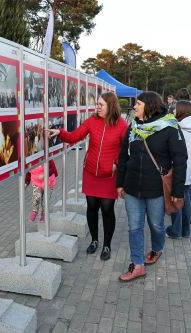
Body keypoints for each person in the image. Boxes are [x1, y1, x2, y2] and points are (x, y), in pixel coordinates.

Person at [46, 92, 128, 261]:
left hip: (109, 175)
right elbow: (75, 136)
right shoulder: (91, 121)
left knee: (107, 209)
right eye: (97, 104)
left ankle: (107, 244)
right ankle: (94, 241)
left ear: (111, 106)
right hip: (91, 172)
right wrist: (59, 132)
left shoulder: (121, 125)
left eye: (101, 105)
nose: (97, 107)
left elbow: (125, 150)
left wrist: (117, 165)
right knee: (91, 207)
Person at [117, 91, 187, 281]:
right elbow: (124, 156)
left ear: (149, 106)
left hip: (156, 188)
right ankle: (137, 264)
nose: (134, 107)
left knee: (156, 225)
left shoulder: (170, 127)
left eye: (138, 104)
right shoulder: (133, 126)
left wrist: (177, 190)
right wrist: (120, 183)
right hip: (132, 186)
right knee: (134, 227)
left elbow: (180, 160)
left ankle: (157, 248)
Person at [165, 101, 191, 239]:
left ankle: (175, 230)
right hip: (190, 170)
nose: (173, 112)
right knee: (185, 200)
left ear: (181, 111)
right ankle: (185, 230)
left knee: (176, 200)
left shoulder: (177, 129)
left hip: (180, 170)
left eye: (175, 110)